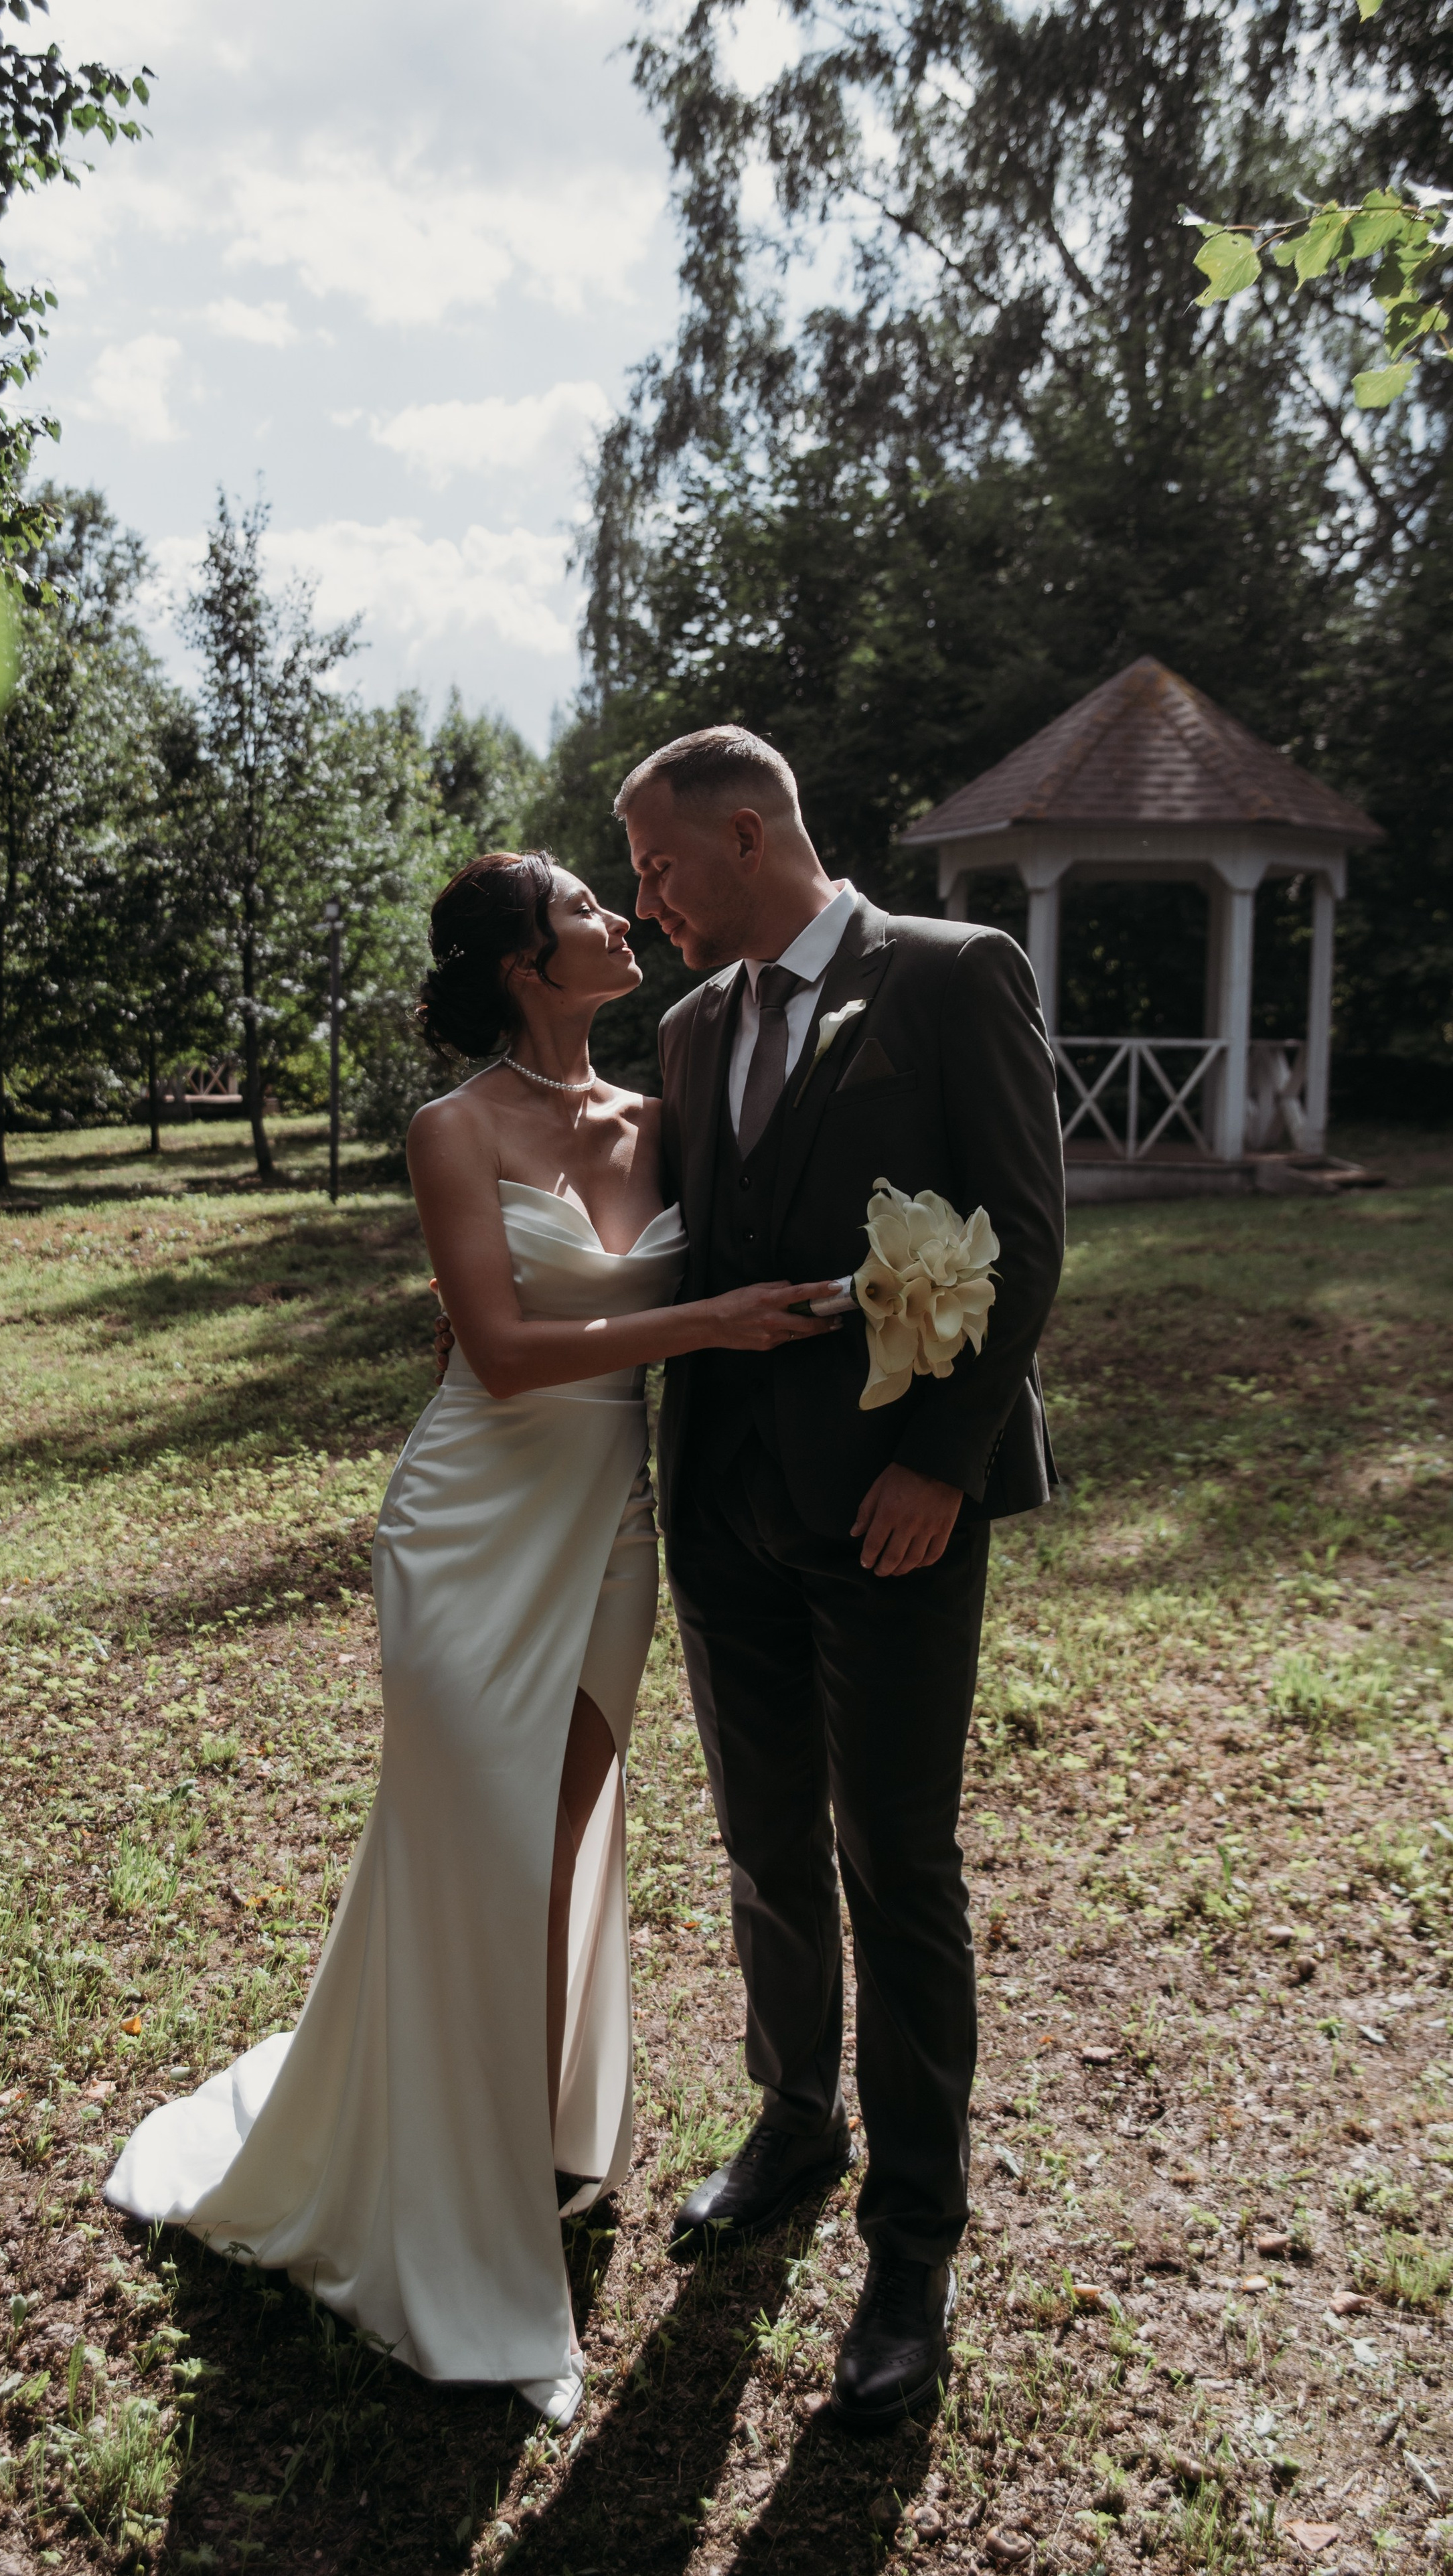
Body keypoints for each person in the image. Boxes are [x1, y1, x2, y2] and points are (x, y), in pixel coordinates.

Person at [104, 849, 837, 2427]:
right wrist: (706, 1319)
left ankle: (508, 2144)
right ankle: (453, 2222)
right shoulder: (452, 1129)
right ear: (524, 960)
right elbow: (500, 1353)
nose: (618, 919)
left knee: (556, 1845)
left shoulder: (663, 1119)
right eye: (585, 907)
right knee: (466, 1845)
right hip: (465, 1524)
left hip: (613, 1531)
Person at [612, 725, 1065, 2431]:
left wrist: (936, 1467)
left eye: (657, 866)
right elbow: (688, 1261)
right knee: (759, 1847)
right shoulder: (683, 1026)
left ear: (746, 834)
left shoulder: (949, 979)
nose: (645, 901)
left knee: (898, 1864)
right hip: (722, 1513)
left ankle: (910, 2247)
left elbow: (1020, 1232)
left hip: (891, 1514)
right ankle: (793, 2120)